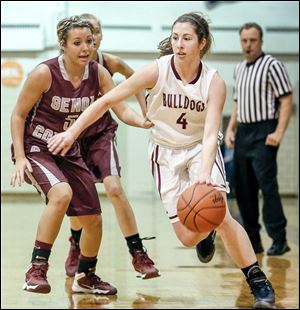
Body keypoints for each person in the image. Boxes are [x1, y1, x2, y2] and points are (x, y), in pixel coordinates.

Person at [48, 12, 276, 308]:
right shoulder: (156, 71)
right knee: (187, 237)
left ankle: (258, 281)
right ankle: (206, 233)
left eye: (187, 38)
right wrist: (72, 133)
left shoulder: (213, 82)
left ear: (202, 43)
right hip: (165, 153)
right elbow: (106, 101)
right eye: (175, 37)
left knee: (221, 215)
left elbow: (209, 136)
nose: (179, 44)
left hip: (197, 150)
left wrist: (205, 174)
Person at [10, 15, 151, 295]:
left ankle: (86, 276)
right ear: (63, 45)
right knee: (61, 194)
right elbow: (18, 114)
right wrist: (22, 157)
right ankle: (36, 268)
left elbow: (121, 110)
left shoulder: (99, 73)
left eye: (88, 41)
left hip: (67, 148)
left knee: (94, 219)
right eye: (77, 43)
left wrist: (145, 122)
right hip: (37, 146)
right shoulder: (44, 73)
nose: (85, 48)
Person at [63, 12, 159, 280]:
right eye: (81, 38)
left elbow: (137, 80)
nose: (87, 44)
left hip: (101, 135)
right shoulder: (62, 67)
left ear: (99, 37)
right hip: (75, 136)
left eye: (92, 36)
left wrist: (145, 111)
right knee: (76, 198)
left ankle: (138, 252)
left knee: (114, 188)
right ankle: (75, 242)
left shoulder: (108, 64)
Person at [224, 22, 293, 256]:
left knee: (268, 186)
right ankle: (253, 241)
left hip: (265, 131)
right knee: (244, 189)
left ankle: (279, 239)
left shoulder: (273, 65)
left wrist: (279, 132)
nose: (248, 45)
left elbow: (286, 100)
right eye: (244, 40)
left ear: (260, 41)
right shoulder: (239, 68)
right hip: (243, 132)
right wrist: (231, 129)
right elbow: (237, 103)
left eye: (252, 40)